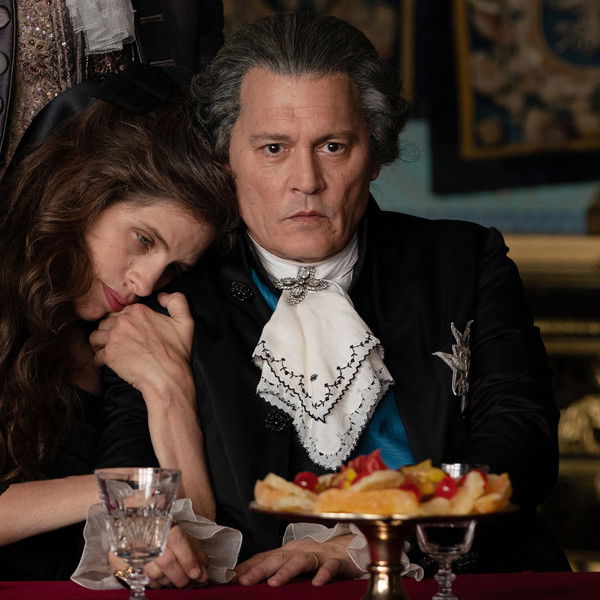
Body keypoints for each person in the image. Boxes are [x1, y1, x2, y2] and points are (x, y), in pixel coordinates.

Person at [98, 11, 570, 587]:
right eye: (274, 147)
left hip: (446, 582)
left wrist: (377, 543)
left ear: (374, 155)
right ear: (226, 158)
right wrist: (158, 533)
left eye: (332, 146)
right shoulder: (170, 290)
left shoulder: (464, 261)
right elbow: (128, 468)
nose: (307, 180)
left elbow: (521, 445)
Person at [0, 69, 237, 582]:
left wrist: (168, 387)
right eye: (144, 240)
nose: (146, 281)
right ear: (82, 194)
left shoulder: (127, 336)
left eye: (173, 268)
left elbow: (189, 546)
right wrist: (118, 489)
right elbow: (143, 499)